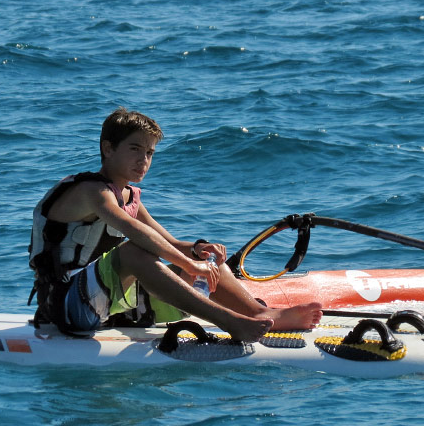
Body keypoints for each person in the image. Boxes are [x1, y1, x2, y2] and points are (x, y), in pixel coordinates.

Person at [29, 107, 322, 342]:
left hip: (115, 308)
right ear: (108, 148)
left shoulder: (129, 195)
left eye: (150, 153)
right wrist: (188, 265)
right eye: (135, 149)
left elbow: (166, 242)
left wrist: (197, 251)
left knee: (201, 256)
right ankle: (229, 321)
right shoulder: (92, 192)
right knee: (134, 251)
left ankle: (259, 313)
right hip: (66, 306)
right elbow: (134, 232)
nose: (143, 160)